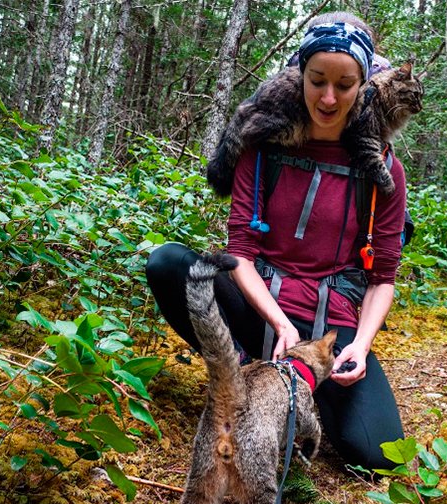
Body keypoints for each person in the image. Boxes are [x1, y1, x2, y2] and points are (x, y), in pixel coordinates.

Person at [146, 11, 405, 470]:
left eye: (344, 85)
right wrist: (280, 324)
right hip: (261, 306)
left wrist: (359, 346)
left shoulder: (382, 167)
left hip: (331, 327)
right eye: (317, 79)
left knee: (378, 455)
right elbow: (240, 255)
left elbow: (382, 277)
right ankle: (247, 373)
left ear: (363, 85)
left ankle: (304, 389)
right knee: (170, 264)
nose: (328, 96)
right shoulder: (262, 148)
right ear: (298, 74)